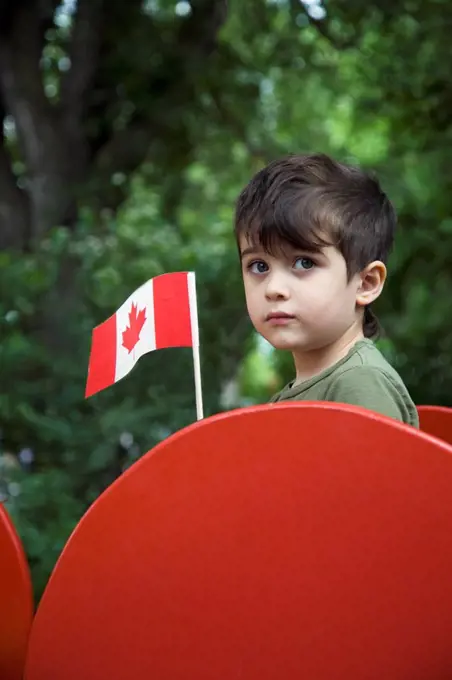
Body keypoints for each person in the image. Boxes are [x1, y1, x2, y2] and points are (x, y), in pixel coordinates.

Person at [234, 152, 419, 427]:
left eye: (304, 262)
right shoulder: (292, 395)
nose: (273, 289)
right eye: (259, 266)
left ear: (366, 283)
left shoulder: (359, 384)